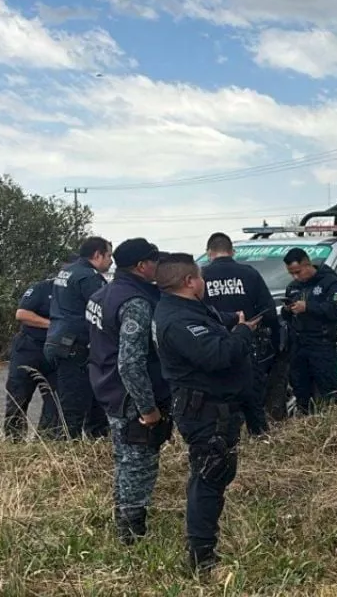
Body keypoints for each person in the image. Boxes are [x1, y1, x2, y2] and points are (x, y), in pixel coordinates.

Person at [152, 253, 262, 572]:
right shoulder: (177, 319)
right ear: (189, 281)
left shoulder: (186, 308)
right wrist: (242, 332)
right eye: (200, 277)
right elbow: (217, 355)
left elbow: (211, 323)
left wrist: (233, 321)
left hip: (215, 408)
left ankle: (204, 548)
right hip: (205, 411)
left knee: (214, 475)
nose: (203, 282)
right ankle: (201, 558)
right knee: (209, 477)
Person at [86, 238, 172, 545]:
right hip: (130, 398)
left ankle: (122, 519)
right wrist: (148, 408)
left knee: (124, 459)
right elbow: (130, 363)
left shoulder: (101, 293)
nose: (158, 266)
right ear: (141, 266)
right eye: (154, 261)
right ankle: (132, 535)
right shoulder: (135, 302)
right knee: (139, 463)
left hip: (107, 389)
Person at [202, 232, 281, 437]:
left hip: (212, 347)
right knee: (252, 396)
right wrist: (274, 341)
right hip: (247, 343)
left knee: (220, 400)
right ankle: (260, 437)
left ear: (209, 252)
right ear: (232, 251)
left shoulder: (201, 277)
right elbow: (269, 311)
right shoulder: (249, 273)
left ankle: (226, 440)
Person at [45, 237, 114, 440]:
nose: (111, 261)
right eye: (109, 255)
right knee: (74, 406)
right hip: (75, 345)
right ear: (97, 255)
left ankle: (95, 442)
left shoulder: (67, 271)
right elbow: (103, 310)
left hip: (58, 340)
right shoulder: (89, 277)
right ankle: (69, 454)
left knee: (86, 399)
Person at [3, 258, 69, 441]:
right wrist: (54, 325)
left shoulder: (73, 292)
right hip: (29, 349)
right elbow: (22, 314)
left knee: (54, 400)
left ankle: (44, 441)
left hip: (56, 352)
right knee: (18, 396)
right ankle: (13, 440)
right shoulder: (42, 288)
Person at [281, 248, 337, 415]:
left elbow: (335, 310)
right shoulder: (293, 287)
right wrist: (288, 310)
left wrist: (308, 307)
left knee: (328, 393)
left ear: (307, 264)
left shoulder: (331, 283)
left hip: (322, 344)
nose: (295, 277)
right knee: (301, 391)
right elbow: (288, 318)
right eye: (291, 273)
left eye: (297, 272)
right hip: (299, 345)